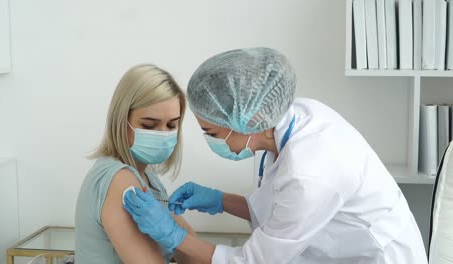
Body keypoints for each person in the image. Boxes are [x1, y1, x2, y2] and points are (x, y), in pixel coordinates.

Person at [123, 48, 428, 263]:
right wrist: (219, 200)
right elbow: (277, 208)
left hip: (376, 257)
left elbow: (251, 261)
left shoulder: (311, 173)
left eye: (212, 133)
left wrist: (173, 235)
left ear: (245, 120)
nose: (209, 142)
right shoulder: (290, 120)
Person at [75, 64, 199, 264]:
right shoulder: (120, 180)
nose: (162, 134)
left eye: (171, 125)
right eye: (149, 125)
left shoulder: (148, 176)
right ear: (121, 121)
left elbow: (194, 256)